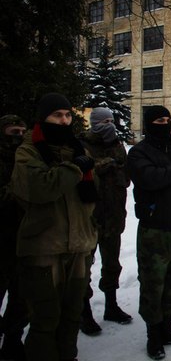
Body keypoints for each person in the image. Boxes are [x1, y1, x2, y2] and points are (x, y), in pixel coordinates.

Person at [11, 93, 97, 361]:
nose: (64, 120)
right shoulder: (29, 150)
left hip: (79, 247)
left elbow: (89, 199)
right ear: (44, 118)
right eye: (57, 115)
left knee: (71, 316)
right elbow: (40, 187)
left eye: (68, 115)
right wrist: (74, 170)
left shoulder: (79, 149)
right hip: (44, 248)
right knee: (45, 319)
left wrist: (89, 234)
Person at [128, 106, 171, 359]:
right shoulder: (139, 152)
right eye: (160, 120)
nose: (164, 123)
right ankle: (153, 335)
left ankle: (167, 328)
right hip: (154, 230)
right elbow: (149, 179)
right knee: (153, 285)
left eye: (167, 120)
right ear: (149, 123)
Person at [79, 107, 132, 336]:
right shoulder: (83, 145)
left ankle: (111, 305)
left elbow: (126, 174)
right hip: (90, 218)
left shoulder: (117, 145)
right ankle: (84, 312)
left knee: (112, 264)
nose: (109, 125)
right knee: (84, 268)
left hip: (114, 215)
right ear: (94, 123)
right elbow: (84, 172)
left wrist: (113, 160)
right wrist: (106, 164)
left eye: (111, 120)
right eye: (104, 121)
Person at [0, 115, 27, 360]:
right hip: (2, 239)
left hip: (24, 237)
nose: (18, 135)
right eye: (13, 131)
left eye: (22, 131)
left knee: (21, 296)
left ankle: (13, 339)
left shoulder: (26, 159)